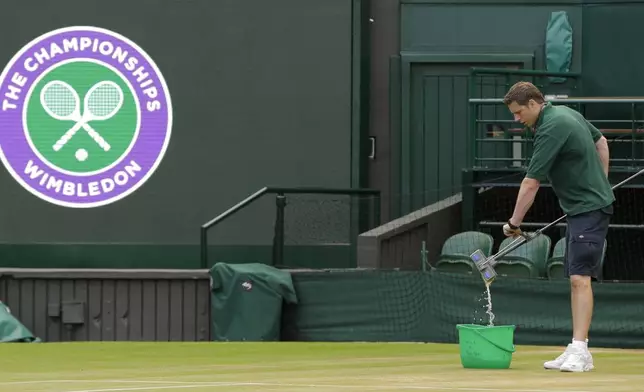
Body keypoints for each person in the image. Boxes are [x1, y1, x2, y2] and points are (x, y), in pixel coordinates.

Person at [501, 81, 614, 373]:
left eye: (518, 112)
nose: (516, 119)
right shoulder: (566, 113)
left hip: (588, 209)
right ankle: (576, 347)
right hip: (582, 208)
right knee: (577, 278)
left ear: (534, 104)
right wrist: (602, 181)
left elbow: (531, 183)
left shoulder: (551, 127)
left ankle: (581, 351)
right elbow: (602, 143)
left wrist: (514, 223)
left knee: (580, 279)